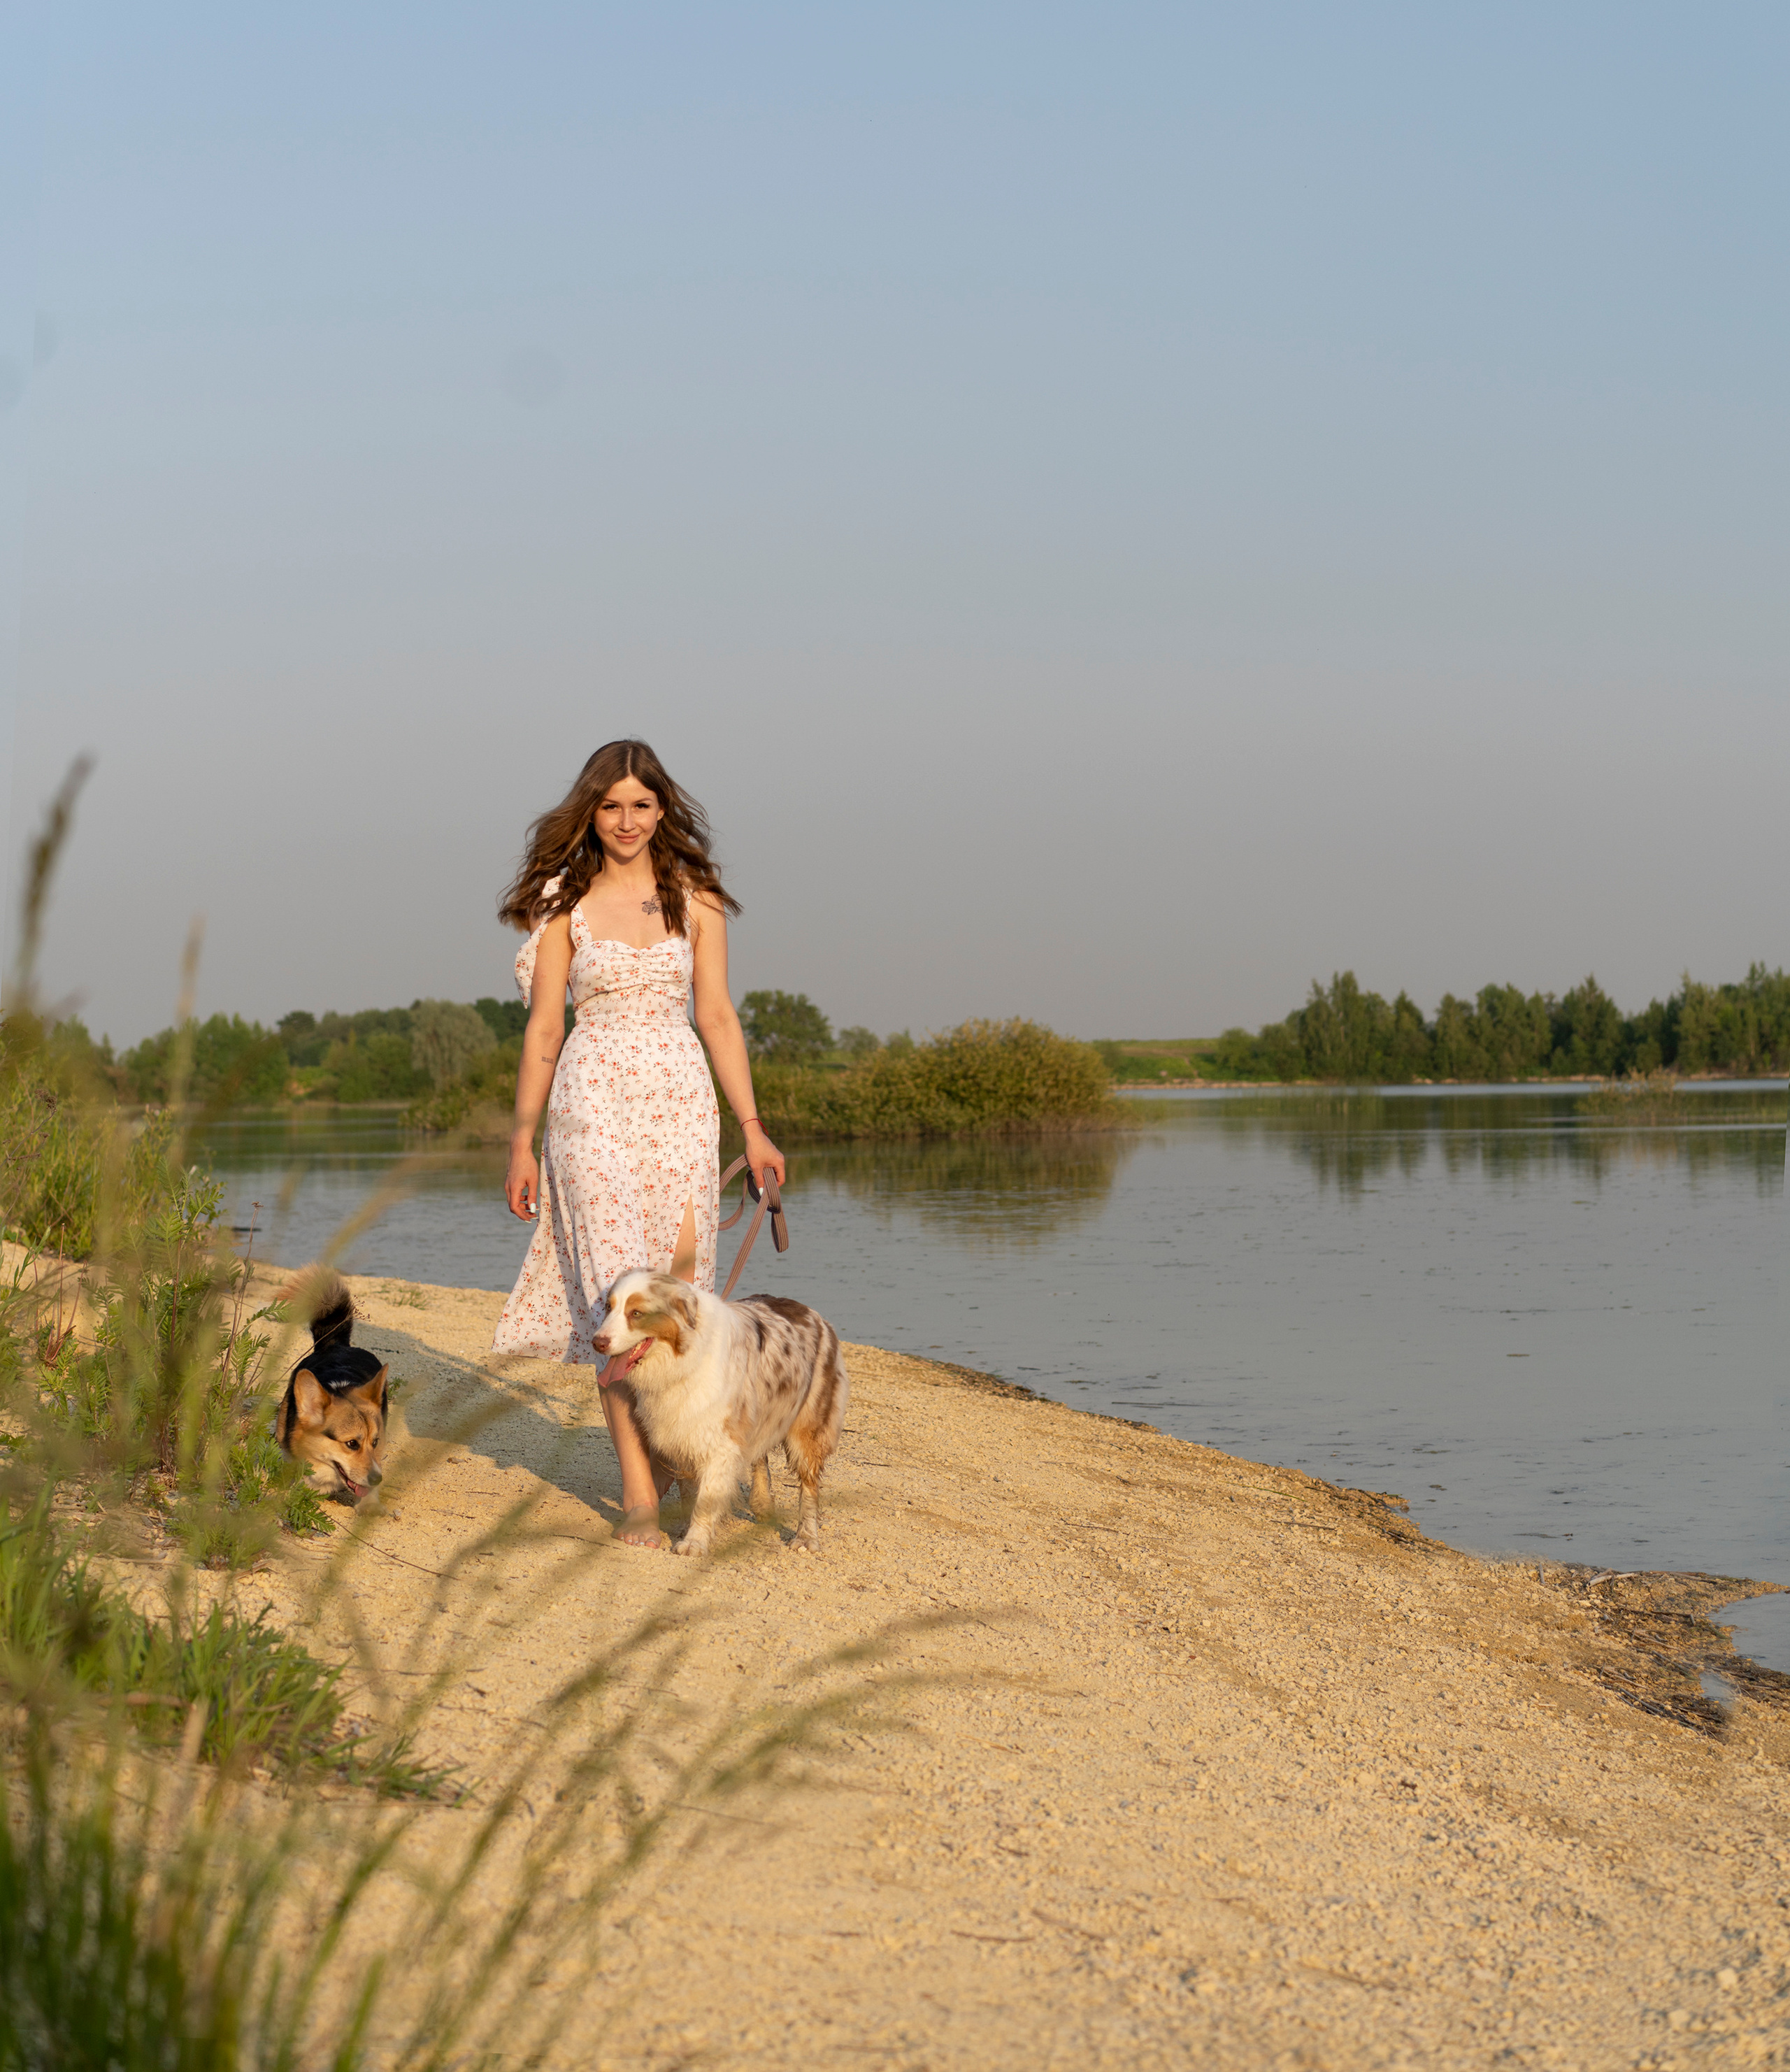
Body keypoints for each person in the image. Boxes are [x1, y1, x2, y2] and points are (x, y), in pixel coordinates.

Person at [492, 738, 785, 1548]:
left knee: (678, 1297)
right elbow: (544, 1028)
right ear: (591, 811)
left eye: (642, 805)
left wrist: (753, 1128)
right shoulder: (564, 901)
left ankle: (674, 1449)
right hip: (590, 1104)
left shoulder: (697, 898)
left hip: (681, 1106)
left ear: (663, 809)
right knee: (614, 1300)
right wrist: (522, 1143)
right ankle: (638, 1497)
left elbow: (716, 1015)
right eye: (611, 805)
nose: (627, 821)